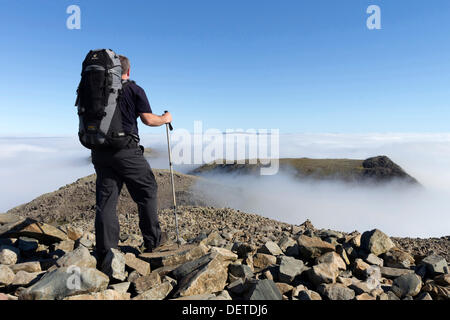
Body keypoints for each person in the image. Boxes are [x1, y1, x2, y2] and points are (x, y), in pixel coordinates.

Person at [91, 55, 172, 265]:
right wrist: (166, 119)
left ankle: (105, 253)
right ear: (128, 71)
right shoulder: (134, 89)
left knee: (106, 201)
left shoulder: (96, 89)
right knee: (147, 191)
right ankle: (153, 241)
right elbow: (148, 119)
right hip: (126, 151)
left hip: (99, 151)